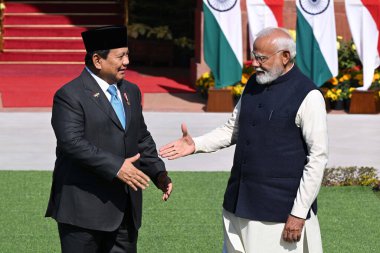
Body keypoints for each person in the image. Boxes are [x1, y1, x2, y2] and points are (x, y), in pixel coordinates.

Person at [159, 27, 328, 253]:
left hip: (278, 213)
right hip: (237, 203)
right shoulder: (253, 83)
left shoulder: (309, 95)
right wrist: (196, 144)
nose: (255, 64)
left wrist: (298, 213)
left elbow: (317, 158)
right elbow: (233, 129)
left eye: (261, 58)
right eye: (253, 56)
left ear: (285, 57)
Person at [45, 25, 173, 253]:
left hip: (125, 210)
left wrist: (158, 173)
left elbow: (140, 136)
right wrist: (117, 167)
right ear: (97, 60)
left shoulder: (131, 91)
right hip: (83, 212)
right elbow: (71, 143)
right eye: (120, 56)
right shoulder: (69, 95)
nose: (127, 62)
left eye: (127, 54)